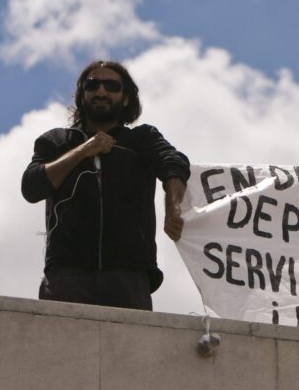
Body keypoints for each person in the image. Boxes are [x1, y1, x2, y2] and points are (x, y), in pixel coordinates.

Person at [21, 60, 190, 311]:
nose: (101, 91)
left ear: (125, 98)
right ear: (83, 95)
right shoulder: (55, 142)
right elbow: (32, 186)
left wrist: (174, 208)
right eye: (93, 85)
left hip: (129, 276)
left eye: (111, 85)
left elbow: (173, 163)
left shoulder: (141, 140)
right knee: (61, 350)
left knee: (131, 350)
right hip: (67, 276)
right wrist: (84, 149)